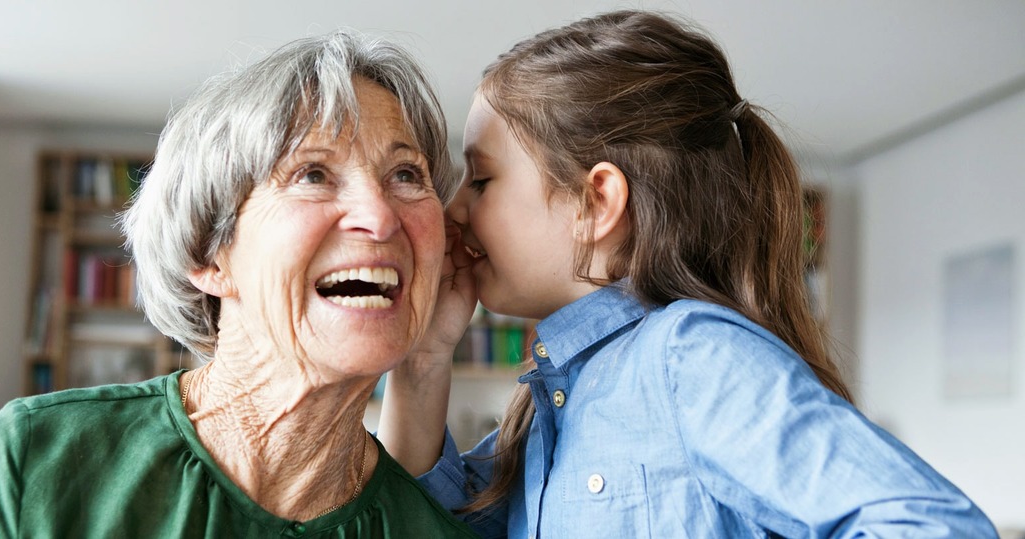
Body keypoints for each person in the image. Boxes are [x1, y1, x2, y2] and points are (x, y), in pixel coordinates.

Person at [377, 10, 998, 538]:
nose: (454, 208)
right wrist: (422, 360)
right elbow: (415, 525)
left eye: (481, 179)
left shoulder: (689, 357)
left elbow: (931, 524)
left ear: (596, 204)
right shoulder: (545, 410)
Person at [0, 30, 477, 537]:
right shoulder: (33, 463)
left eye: (406, 175)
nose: (380, 217)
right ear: (208, 254)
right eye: (313, 174)